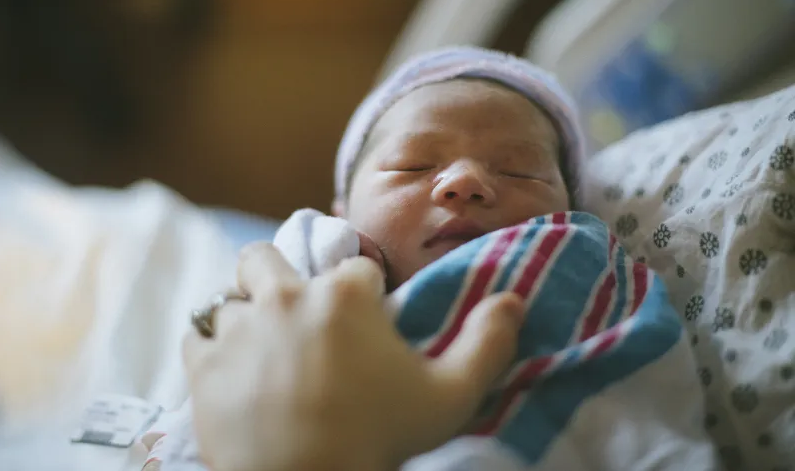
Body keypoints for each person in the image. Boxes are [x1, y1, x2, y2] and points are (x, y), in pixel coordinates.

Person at [145, 47, 717, 471]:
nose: (466, 182)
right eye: (413, 166)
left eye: (520, 171)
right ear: (343, 208)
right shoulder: (312, 259)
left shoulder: (578, 260)